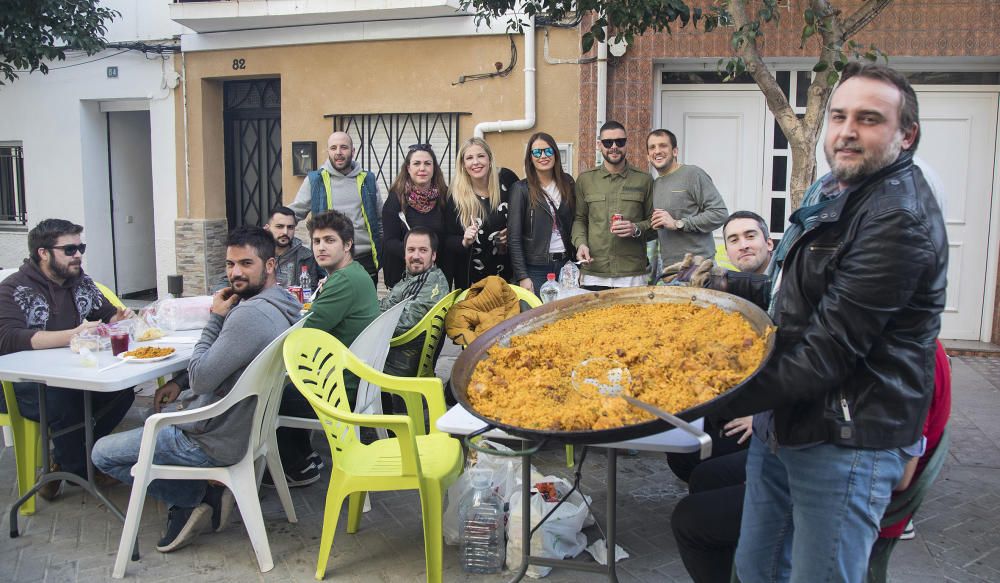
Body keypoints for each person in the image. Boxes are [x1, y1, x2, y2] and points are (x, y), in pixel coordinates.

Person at [715, 63, 947, 582]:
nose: (846, 131)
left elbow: (828, 352)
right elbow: (797, 289)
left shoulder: (896, 219)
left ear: (905, 135)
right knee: (756, 569)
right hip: (787, 420)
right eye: (839, 116)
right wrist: (731, 285)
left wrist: (708, 395)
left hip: (844, 437)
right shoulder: (837, 187)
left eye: (868, 119)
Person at [92, 226, 301, 553]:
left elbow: (203, 378)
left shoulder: (249, 315)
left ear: (270, 265)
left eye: (246, 264)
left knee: (102, 453)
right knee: (154, 411)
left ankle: (192, 497)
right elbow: (220, 365)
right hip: (245, 426)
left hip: (212, 437)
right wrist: (178, 382)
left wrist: (214, 319)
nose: (235, 273)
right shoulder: (283, 302)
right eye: (230, 264)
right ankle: (202, 492)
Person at [670, 340, 951, 583]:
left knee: (691, 520)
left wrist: (787, 467)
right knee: (705, 476)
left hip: (848, 492)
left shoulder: (906, 357)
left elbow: (899, 476)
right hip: (806, 454)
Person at [0, 218, 134, 500]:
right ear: (43, 253)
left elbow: (107, 313)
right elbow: (10, 338)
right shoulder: (14, 288)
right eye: (70, 249)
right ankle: (81, 469)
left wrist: (120, 320)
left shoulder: (79, 281)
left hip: (71, 372)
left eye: (80, 247)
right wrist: (73, 334)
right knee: (67, 400)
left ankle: (64, 462)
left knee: (122, 390)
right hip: (22, 382)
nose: (78, 255)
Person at [270, 209, 379, 487]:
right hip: (353, 379)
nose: (320, 247)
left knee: (268, 394)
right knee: (286, 384)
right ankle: (305, 456)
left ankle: (295, 466)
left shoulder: (343, 281)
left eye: (329, 240)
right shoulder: (354, 274)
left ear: (348, 244)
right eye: (317, 241)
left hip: (340, 389)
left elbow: (304, 336)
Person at [665, 211, 772, 483]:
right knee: (680, 454)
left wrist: (761, 417)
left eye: (751, 236)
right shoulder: (726, 288)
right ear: (728, 250)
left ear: (769, 243)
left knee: (706, 475)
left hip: (771, 413)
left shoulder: (783, 286)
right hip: (734, 402)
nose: (744, 245)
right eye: (734, 240)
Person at [289, 131, 383, 286]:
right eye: (333, 148)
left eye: (344, 147)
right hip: (330, 262)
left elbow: (379, 219)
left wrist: (381, 251)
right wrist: (274, 224)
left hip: (365, 260)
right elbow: (295, 211)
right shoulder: (315, 180)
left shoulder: (368, 180)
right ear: (328, 151)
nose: (338, 152)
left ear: (353, 151)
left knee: (365, 308)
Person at [571, 121, 654, 291]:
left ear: (627, 144)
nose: (614, 147)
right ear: (599, 145)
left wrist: (635, 228)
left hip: (632, 275)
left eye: (620, 142)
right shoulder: (585, 180)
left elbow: (655, 223)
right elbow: (579, 219)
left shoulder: (644, 180)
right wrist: (581, 244)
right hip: (594, 272)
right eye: (608, 142)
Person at [647, 129, 728, 267]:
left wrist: (678, 224)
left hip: (699, 267)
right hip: (669, 269)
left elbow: (720, 213)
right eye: (652, 147)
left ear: (675, 151)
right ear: (648, 156)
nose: (657, 151)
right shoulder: (655, 184)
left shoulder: (693, 174)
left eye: (663, 145)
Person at [509, 132, 576, 294]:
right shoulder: (521, 189)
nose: (543, 156)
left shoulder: (568, 183)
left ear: (555, 153)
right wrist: (522, 276)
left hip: (566, 266)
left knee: (565, 316)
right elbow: (514, 237)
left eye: (548, 151)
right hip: (536, 269)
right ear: (530, 158)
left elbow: (576, 221)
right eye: (537, 152)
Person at [444, 137, 513, 290]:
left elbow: (525, 215)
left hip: (509, 275)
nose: (475, 162)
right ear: (463, 164)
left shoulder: (507, 180)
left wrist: (512, 234)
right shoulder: (455, 196)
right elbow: (446, 239)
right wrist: (464, 241)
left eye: (481, 156)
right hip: (473, 280)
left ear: (490, 159)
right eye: (469, 158)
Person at [380, 227, 449, 377]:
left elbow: (403, 324)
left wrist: (365, 316)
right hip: (395, 355)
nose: (416, 256)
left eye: (423, 250)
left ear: (434, 255)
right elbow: (387, 304)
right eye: (411, 250)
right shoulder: (413, 277)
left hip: (397, 362)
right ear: (404, 253)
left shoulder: (430, 282)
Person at [382, 144, 450, 288]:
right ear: (408, 168)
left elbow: (448, 238)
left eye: (427, 163)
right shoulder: (396, 199)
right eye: (416, 163)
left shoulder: (445, 197)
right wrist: (418, 255)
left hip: (435, 278)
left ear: (434, 168)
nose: (422, 168)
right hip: (402, 278)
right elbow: (389, 241)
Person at [263, 205, 323, 289]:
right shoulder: (257, 254)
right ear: (267, 228)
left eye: (290, 227)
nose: (285, 232)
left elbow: (311, 290)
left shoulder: (306, 256)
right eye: (279, 226)